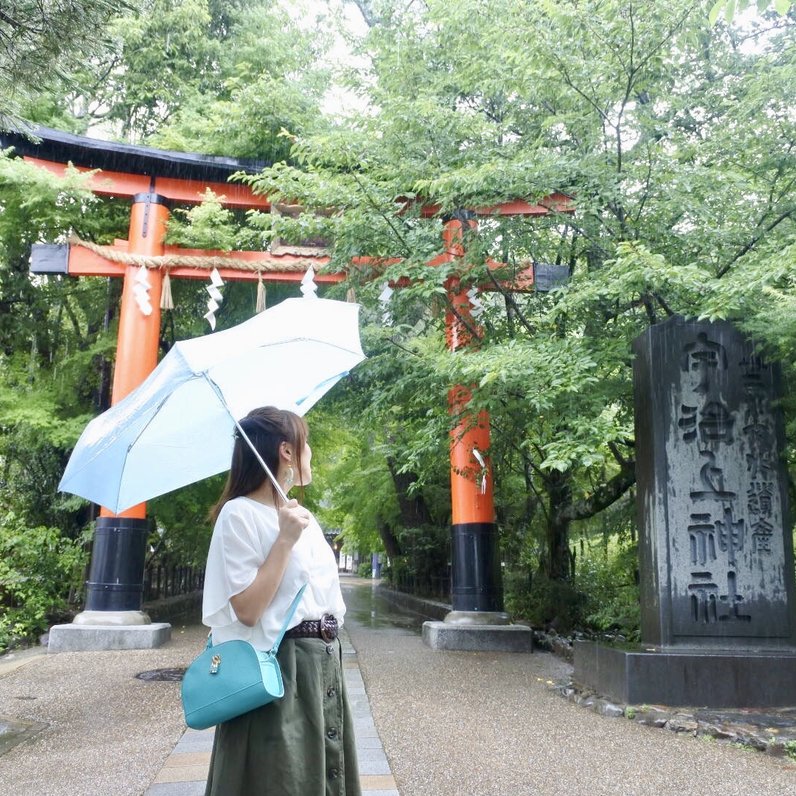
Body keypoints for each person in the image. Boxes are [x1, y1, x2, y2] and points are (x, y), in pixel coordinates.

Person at [201, 406, 360, 796]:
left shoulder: (301, 516)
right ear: (287, 451)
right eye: (306, 445)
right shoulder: (238, 515)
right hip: (277, 672)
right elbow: (248, 610)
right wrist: (284, 540)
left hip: (321, 666)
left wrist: (292, 529)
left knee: (323, 777)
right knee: (280, 780)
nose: (311, 455)